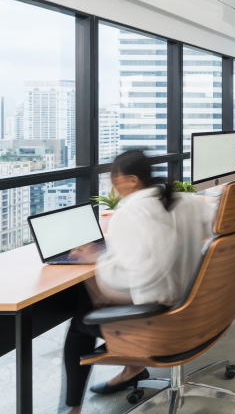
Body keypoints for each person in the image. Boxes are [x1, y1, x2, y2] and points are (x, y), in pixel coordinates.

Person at [63, 150, 215, 414]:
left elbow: (132, 282)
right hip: (198, 310)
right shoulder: (187, 200)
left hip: (162, 324)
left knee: (80, 320)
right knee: (94, 300)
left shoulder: (131, 212)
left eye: (115, 180)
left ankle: (73, 409)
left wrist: (98, 263)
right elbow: (215, 230)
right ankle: (131, 370)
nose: (114, 187)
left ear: (131, 180)